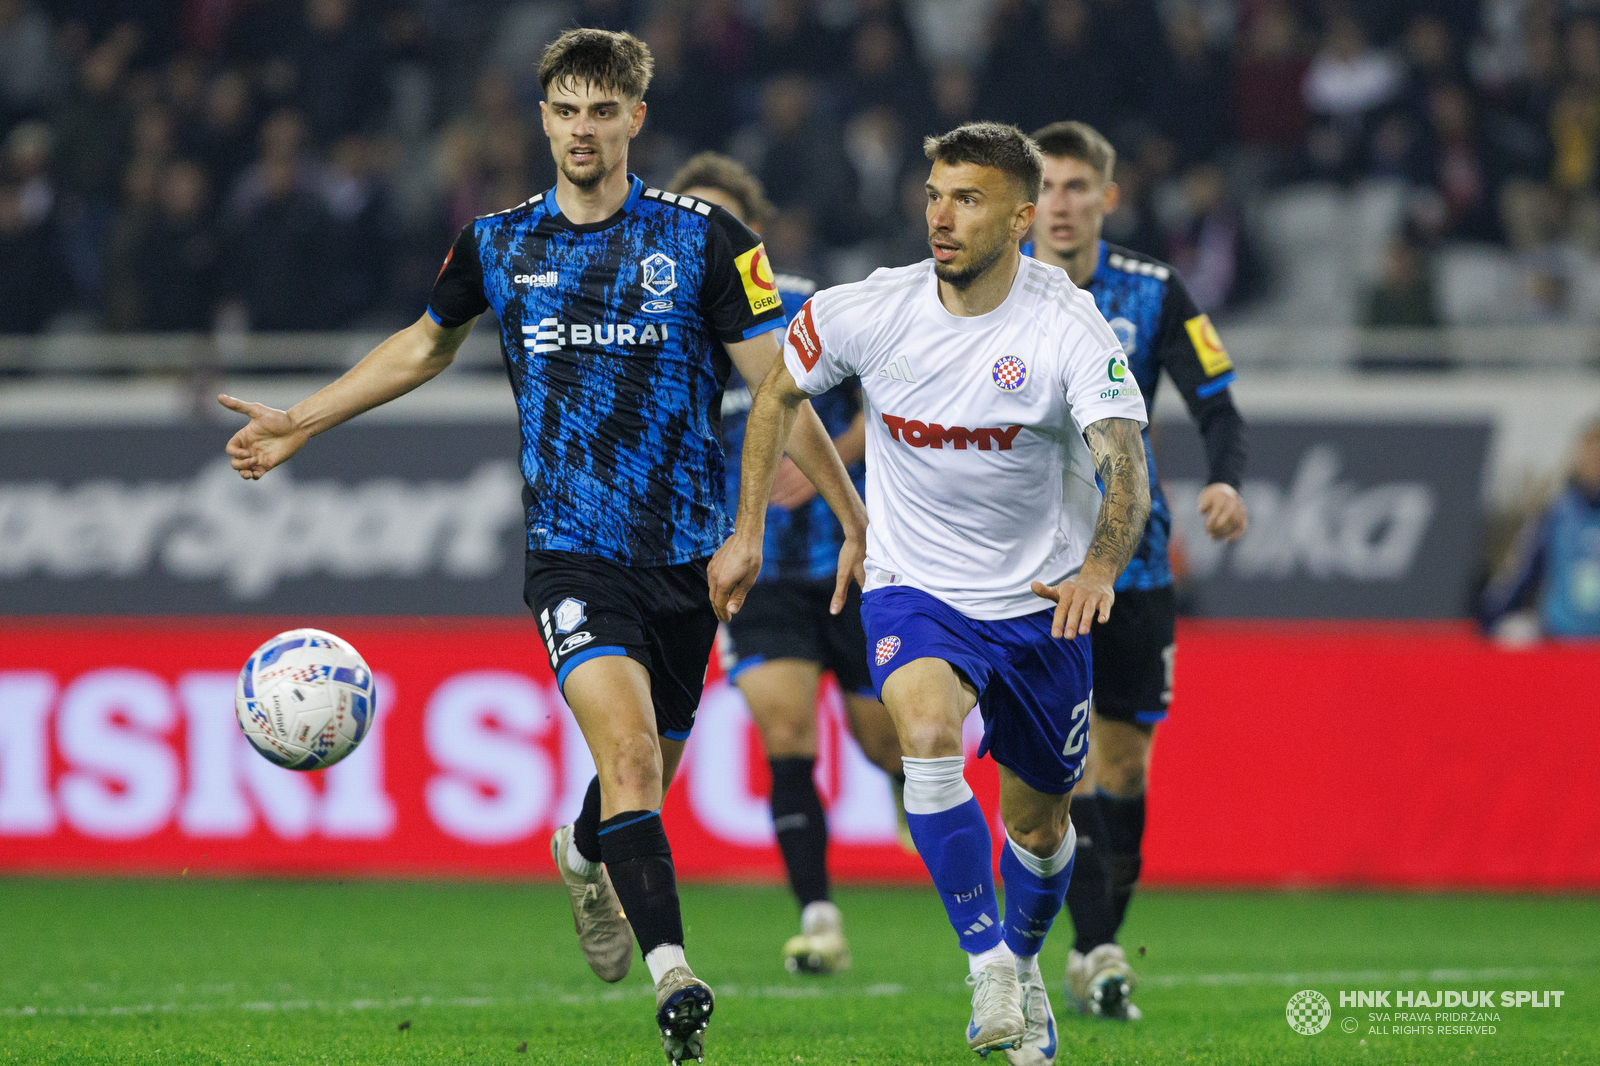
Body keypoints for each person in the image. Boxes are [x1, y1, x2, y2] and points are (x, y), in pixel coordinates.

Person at [216, 29, 866, 1064]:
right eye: (565, 109)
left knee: (631, 786)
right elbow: (424, 344)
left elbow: (774, 383)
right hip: (570, 551)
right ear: (544, 118)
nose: (581, 128)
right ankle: (675, 979)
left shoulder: (703, 237)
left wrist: (828, 515)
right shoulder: (497, 241)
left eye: (602, 110)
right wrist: (304, 416)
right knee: (631, 755)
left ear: (634, 121)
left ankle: (578, 850)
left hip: (687, 557)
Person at [711, 122, 1153, 1065]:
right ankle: (988, 959)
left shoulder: (1067, 324)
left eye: (969, 200)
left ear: (1023, 218)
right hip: (915, 585)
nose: (941, 219)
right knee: (922, 738)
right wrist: (750, 529)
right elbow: (776, 392)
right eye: (935, 196)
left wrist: (1101, 567)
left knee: (1039, 827)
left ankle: (1024, 964)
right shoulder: (873, 307)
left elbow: (1128, 470)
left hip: (1041, 606)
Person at [1022, 120, 1249, 1021]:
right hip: (1033, 566)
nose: (1063, 203)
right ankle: (1085, 948)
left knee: (1122, 767)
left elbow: (1218, 403)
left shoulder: (1152, 291)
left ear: (1109, 197)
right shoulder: (996, 289)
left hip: (1135, 565)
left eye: (1080, 187)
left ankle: (1096, 946)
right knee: (1055, 771)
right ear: (1025, 200)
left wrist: (1225, 478)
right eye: (1048, 187)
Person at [667, 151, 908, 976]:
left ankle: (922, 802)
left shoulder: (809, 309)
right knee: (786, 731)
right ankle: (819, 918)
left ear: (750, 232)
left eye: (718, 220)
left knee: (888, 744)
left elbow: (900, 403)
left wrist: (827, 458)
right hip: (755, 570)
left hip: (854, 561)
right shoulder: (661, 330)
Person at [1481, 416, 1600, 639]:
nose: (1595, 462)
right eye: (1590, 452)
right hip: (1562, 641)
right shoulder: (1556, 515)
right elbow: (1524, 572)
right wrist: (1489, 617)